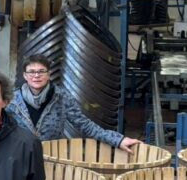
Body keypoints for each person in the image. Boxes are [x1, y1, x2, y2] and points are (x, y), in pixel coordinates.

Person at [7, 54, 140, 152]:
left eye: (42, 71)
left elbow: (84, 124)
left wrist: (118, 140)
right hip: (19, 156)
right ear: (25, 76)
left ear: (49, 74)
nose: (36, 76)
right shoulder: (12, 100)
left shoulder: (61, 97)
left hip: (51, 157)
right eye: (31, 72)